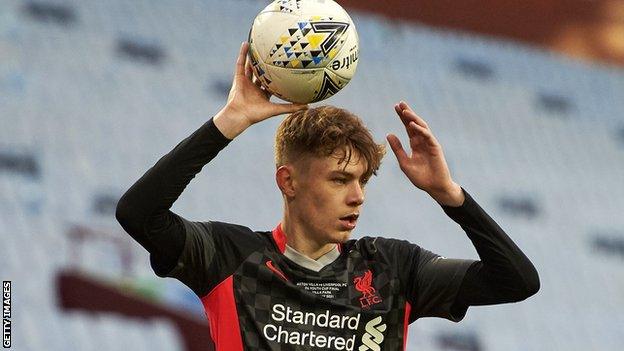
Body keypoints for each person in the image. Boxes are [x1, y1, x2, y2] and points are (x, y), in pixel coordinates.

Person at [116, 42, 539, 351]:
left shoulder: (392, 268)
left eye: (363, 181)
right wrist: (230, 121)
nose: (357, 197)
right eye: (339, 180)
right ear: (289, 182)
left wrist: (450, 195)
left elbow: (517, 281)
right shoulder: (231, 257)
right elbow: (138, 214)